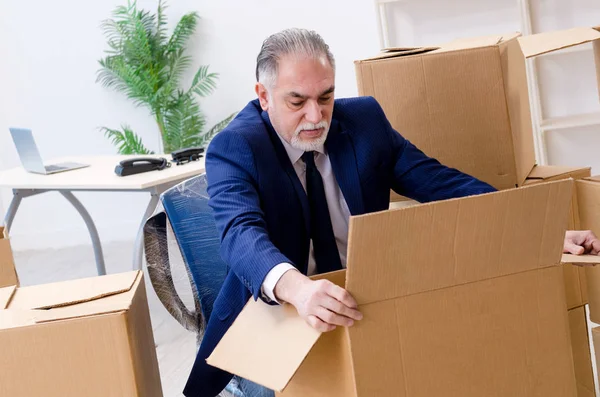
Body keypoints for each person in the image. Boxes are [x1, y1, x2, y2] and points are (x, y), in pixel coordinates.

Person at [183, 28, 600, 397]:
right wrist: (298, 289)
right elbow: (240, 234)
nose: (315, 116)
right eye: (297, 102)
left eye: (325, 97)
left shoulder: (364, 121)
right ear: (263, 96)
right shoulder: (234, 147)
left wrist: (537, 231)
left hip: (363, 303)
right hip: (279, 311)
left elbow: (441, 185)